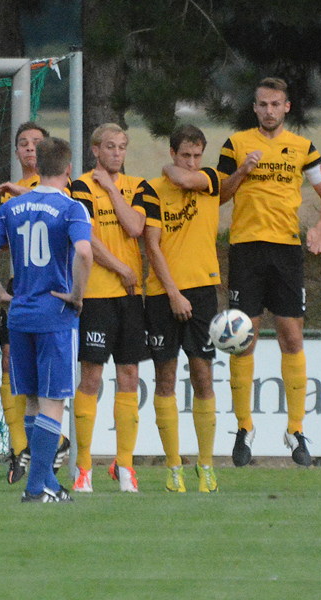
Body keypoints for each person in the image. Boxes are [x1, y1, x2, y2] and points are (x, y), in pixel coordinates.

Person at [216, 76, 321, 467]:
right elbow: (218, 195)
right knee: (243, 339)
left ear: (287, 107)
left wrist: (320, 229)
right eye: (263, 104)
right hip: (246, 249)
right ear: (254, 108)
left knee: (291, 337)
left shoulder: (302, 147)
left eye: (275, 104)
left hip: (286, 251)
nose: (269, 111)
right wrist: (242, 172)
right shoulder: (236, 144)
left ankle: (296, 430)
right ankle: (244, 428)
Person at [0, 136, 93, 502]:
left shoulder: (12, 207)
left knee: (34, 402)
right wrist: (77, 295)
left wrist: (0, 293)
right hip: (54, 315)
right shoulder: (72, 208)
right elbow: (84, 253)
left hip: (20, 315)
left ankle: (47, 484)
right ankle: (36, 487)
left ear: (37, 167)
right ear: (68, 169)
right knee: (53, 402)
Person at [68, 123, 159, 493]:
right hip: (96, 294)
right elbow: (86, 236)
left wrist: (111, 189)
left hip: (130, 297)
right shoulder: (79, 187)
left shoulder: (139, 186)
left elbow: (135, 226)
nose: (116, 153)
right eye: (109, 147)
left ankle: (125, 466)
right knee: (91, 377)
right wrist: (121, 267)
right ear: (95, 150)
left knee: (130, 376)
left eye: (121, 147)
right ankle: (83, 467)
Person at [144, 125, 221, 493]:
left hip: (203, 289)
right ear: (172, 152)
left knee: (203, 375)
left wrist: (177, 171)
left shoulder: (210, 181)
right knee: (166, 378)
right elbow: (152, 246)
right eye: (185, 155)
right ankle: (174, 467)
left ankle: (206, 466)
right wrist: (173, 293)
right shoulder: (152, 190)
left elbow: (187, 179)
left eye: (197, 156)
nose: (192, 162)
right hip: (162, 293)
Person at [0, 121, 63, 484]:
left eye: (36, 142)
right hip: (20, 287)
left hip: (52, 292)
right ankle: (22, 449)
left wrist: (17, 197)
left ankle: (49, 447)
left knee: (49, 385)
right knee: (12, 366)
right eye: (23, 142)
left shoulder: (60, 187)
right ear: (17, 150)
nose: (30, 147)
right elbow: (2, 244)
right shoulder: (10, 197)